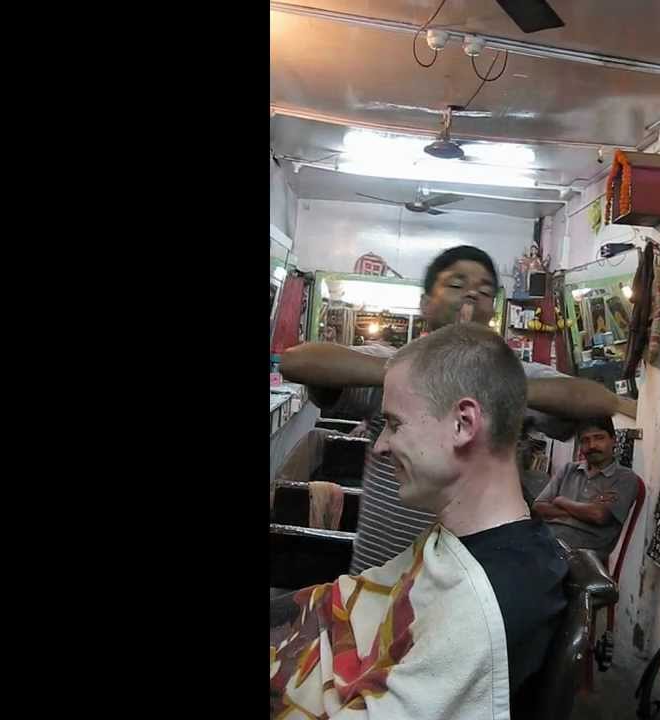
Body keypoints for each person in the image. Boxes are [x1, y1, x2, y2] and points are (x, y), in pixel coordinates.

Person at [271, 324, 569, 716]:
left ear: (463, 424)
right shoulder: (468, 542)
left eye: (394, 424)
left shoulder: (476, 606)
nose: (379, 446)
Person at [281, 245, 633, 573]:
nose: (471, 295)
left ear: (493, 310)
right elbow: (298, 362)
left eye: (484, 290)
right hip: (384, 570)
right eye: (456, 284)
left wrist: (492, 386)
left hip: (475, 581)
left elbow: (598, 400)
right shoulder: (392, 363)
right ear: (425, 304)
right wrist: (418, 374)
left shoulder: (513, 374)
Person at [532, 416, 640, 565]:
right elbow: (538, 507)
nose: (592, 445)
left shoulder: (625, 478)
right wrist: (583, 511)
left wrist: (560, 501)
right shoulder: (569, 469)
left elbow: (598, 515)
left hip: (582, 557)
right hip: (546, 542)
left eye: (599, 438)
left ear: (613, 440)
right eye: (585, 440)